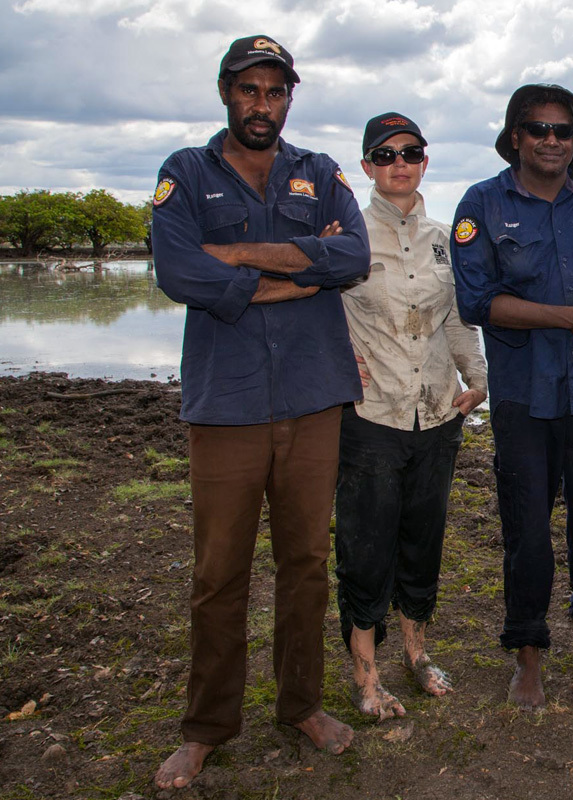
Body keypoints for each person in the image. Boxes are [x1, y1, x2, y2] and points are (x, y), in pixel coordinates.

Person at [150, 35, 368, 788]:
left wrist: (239, 257)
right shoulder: (185, 172)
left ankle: (301, 705)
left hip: (314, 396)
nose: (262, 104)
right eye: (250, 90)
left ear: (288, 99)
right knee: (219, 573)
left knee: (306, 564)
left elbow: (353, 259)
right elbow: (178, 271)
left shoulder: (319, 173)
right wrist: (299, 270)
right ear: (225, 92)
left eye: (275, 92)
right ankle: (207, 726)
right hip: (228, 402)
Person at [449, 84, 573, 710]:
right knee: (526, 529)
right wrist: (568, 319)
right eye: (538, 129)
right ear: (516, 137)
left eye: (563, 131)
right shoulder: (482, 202)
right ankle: (527, 655)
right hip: (521, 396)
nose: (552, 140)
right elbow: (477, 303)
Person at [335, 112, 487, 720]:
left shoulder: (444, 238)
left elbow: (455, 320)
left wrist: (476, 379)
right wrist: (339, 359)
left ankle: (417, 653)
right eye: (386, 153)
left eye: (411, 152)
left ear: (425, 160)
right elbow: (318, 309)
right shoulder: (345, 234)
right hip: (370, 415)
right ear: (368, 166)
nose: (400, 162)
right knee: (366, 546)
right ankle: (365, 674)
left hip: (437, 414)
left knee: (422, 540)